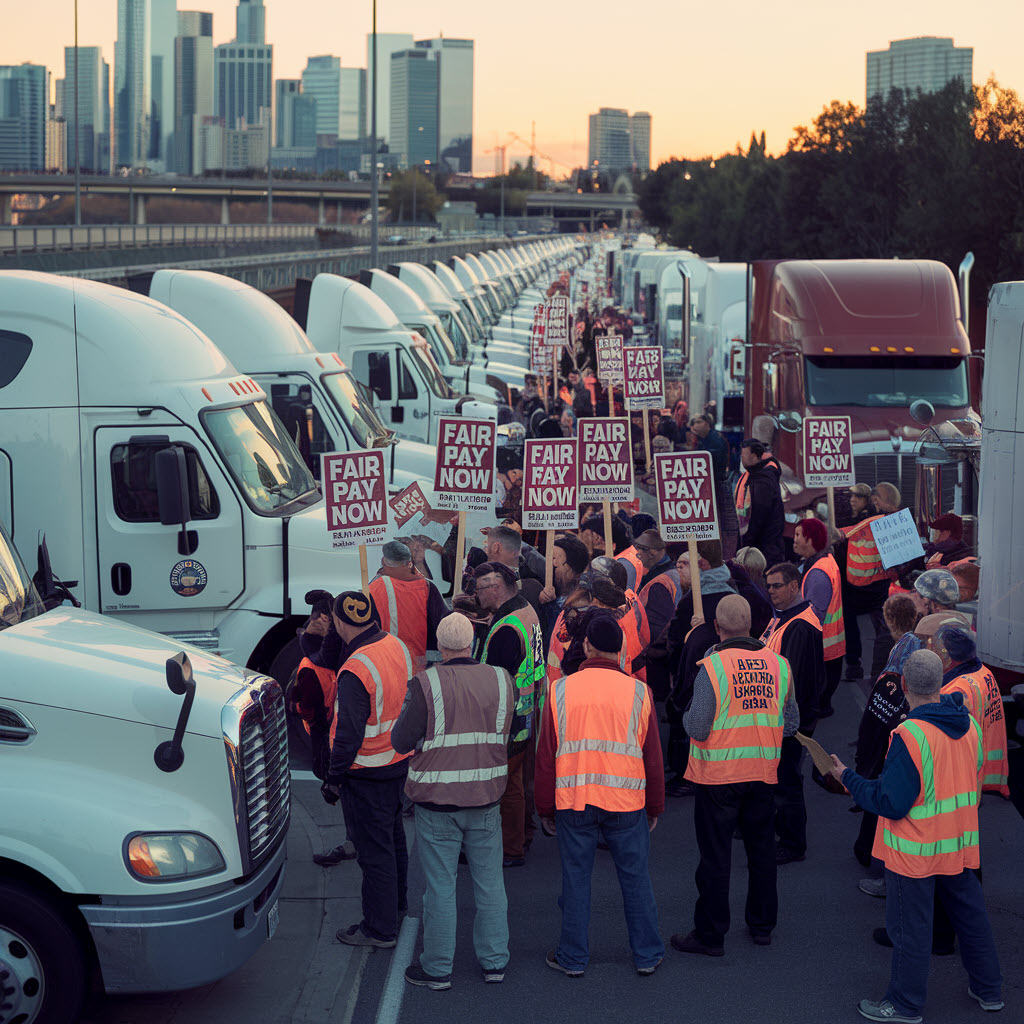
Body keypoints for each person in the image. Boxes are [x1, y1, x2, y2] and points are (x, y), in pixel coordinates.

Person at [829, 650, 1003, 1023]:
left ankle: (905, 1004)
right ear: (941, 683)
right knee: (972, 918)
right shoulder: (969, 725)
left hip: (916, 851)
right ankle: (989, 991)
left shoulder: (910, 734)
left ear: (904, 685)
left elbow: (889, 801)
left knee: (910, 930)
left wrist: (846, 777)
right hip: (959, 843)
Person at [536, 615, 665, 977]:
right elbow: (653, 758)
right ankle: (647, 954)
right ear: (621, 649)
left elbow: (546, 756)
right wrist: (654, 805)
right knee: (636, 878)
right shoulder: (640, 692)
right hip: (626, 803)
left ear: (587, 646)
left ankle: (573, 957)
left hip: (575, 801)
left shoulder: (560, 691)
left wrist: (545, 807)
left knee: (576, 879)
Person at [391, 613, 515, 990]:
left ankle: (437, 968)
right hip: (486, 796)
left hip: (437, 801)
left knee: (440, 887)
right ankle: (495, 962)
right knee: (491, 884)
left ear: (440, 647)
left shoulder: (426, 683)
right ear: (472, 644)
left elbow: (400, 740)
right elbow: (514, 730)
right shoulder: (501, 679)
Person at [671, 595, 798, 956]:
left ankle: (711, 934)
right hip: (762, 773)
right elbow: (791, 724)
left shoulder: (712, 668)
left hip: (719, 777)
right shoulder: (780, 665)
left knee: (715, 858)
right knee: (761, 853)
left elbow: (696, 727)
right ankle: (761, 926)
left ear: (717, 628)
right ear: (753, 626)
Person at [322, 591, 414, 948]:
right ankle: (396, 906)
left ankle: (380, 929)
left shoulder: (356, 667)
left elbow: (347, 733)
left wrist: (333, 779)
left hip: (365, 770)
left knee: (373, 852)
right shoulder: (395, 644)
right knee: (392, 840)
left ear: (340, 622)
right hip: (395, 760)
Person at [476, 561, 544, 867]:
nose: (477, 596)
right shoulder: (525, 609)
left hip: (510, 715)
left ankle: (511, 847)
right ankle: (525, 834)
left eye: (479, 590)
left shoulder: (505, 629)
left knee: (508, 785)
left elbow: (494, 679)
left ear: (495, 588)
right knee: (520, 778)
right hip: (528, 709)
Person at [853, 594, 921, 887]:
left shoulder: (897, 651)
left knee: (881, 789)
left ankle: (872, 855)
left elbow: (879, 699)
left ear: (889, 620)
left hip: (892, 731)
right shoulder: (913, 644)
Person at [761, 562, 824, 864]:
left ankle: (792, 843)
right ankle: (780, 827)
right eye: (768, 585)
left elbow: (792, 677)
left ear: (793, 585)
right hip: (785, 716)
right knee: (781, 776)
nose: (770, 591)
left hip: (790, 719)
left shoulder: (799, 625)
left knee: (787, 779)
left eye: (776, 585)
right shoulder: (787, 618)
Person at [935, 624, 1010, 797]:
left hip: (962, 779)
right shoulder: (984, 672)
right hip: (983, 766)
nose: (935, 653)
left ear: (951, 657)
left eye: (939, 650)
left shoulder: (955, 691)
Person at [840, 482, 900, 682]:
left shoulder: (877, 522)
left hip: (876, 586)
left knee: (883, 631)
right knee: (854, 628)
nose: (852, 501)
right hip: (852, 585)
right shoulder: (850, 520)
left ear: (870, 501)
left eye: (858, 497)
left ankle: (880, 672)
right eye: (851, 497)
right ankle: (856, 666)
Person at [368, 540, 447, 672]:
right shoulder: (426, 587)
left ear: (383, 561)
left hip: (387, 664)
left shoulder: (374, 588)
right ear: (409, 563)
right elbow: (441, 621)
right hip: (421, 665)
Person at [793, 518, 845, 717]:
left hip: (822, 646)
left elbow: (813, 615)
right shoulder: (825, 562)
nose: (795, 540)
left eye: (799, 535)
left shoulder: (818, 573)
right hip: (831, 644)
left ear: (810, 539)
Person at [690, 414, 738, 558]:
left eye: (698, 422)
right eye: (694, 422)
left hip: (715, 487)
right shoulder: (704, 439)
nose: (695, 425)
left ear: (707, 424)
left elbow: (708, 461)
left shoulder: (715, 440)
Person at [734, 440, 784, 568]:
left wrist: (747, 542)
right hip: (764, 547)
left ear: (755, 456)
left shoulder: (762, 480)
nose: (741, 458)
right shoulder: (758, 475)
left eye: (743, 455)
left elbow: (758, 517)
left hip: (763, 551)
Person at [482, 525, 546, 622]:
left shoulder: (532, 588)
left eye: (487, 546)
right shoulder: (534, 586)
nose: (485, 550)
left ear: (496, 547)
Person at [633, 529, 681, 644]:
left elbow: (655, 626)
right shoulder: (664, 571)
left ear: (653, 552)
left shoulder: (659, 583)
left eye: (641, 549)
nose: (637, 554)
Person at [538, 534, 589, 638]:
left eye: (556, 560)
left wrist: (549, 606)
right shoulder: (545, 585)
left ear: (573, 568)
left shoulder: (584, 601)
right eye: (550, 559)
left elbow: (560, 634)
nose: (552, 565)